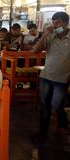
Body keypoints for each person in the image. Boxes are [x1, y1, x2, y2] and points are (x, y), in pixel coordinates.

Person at [33, 12, 70, 141]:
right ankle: (42, 134)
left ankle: (63, 120)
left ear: (65, 23)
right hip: (46, 76)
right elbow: (35, 51)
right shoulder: (51, 36)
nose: (55, 26)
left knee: (56, 104)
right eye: (53, 23)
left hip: (62, 78)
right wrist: (44, 36)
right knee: (45, 106)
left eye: (58, 23)